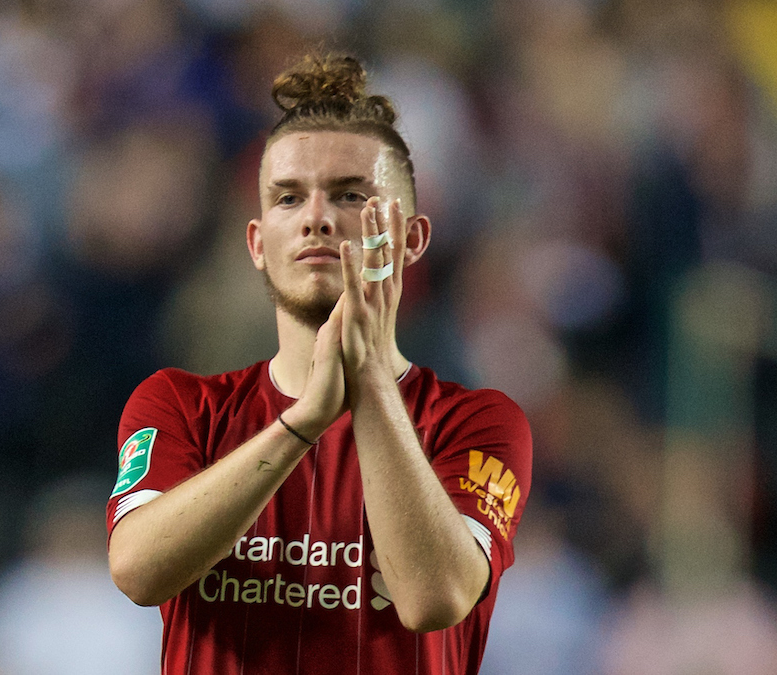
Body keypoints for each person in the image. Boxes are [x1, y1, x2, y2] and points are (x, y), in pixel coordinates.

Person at [106, 53, 532, 675]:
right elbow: (139, 570)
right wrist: (303, 423)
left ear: (411, 238)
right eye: (287, 198)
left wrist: (369, 384)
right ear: (257, 243)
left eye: (351, 194)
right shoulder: (179, 405)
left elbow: (434, 596)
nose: (316, 217)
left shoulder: (478, 422)